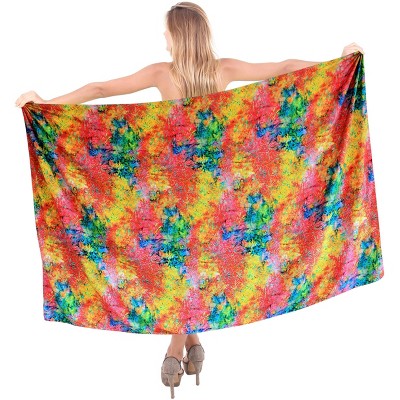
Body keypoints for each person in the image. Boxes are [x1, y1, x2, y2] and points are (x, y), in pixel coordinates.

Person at [15, 2, 364, 398]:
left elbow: (99, 90)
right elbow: (284, 67)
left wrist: (46, 102)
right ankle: (192, 344)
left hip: (171, 196)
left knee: (178, 269)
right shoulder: (223, 69)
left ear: (177, 36)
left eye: (166, 31)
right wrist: (338, 61)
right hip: (215, 195)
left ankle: (175, 348)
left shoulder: (162, 74)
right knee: (195, 269)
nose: (163, 38)